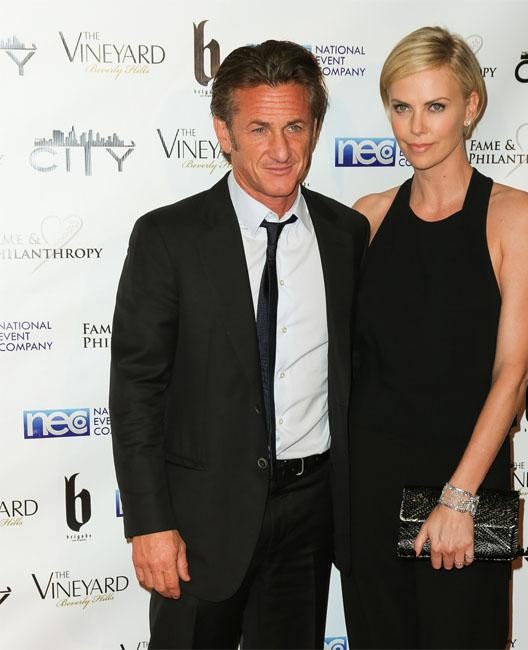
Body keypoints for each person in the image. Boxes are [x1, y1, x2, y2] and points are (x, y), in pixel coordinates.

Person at [109, 40, 368, 650]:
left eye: (295, 126)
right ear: (223, 133)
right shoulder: (169, 237)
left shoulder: (346, 234)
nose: (281, 149)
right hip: (198, 521)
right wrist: (149, 523)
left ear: (314, 129)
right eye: (259, 128)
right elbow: (136, 391)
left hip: (310, 514)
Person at [341, 26, 528, 649]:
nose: (416, 127)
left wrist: (459, 498)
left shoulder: (517, 216)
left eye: (435, 106)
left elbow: (513, 374)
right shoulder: (367, 217)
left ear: (471, 107)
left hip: (469, 482)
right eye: (401, 107)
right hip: (370, 487)